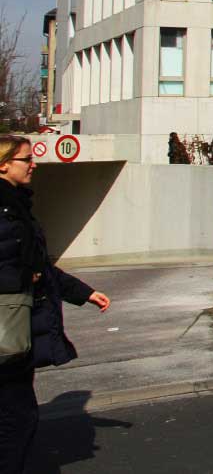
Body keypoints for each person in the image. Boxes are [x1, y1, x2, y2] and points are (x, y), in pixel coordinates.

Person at [1, 135, 111, 472]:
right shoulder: (6, 210)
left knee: (17, 415)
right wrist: (24, 279)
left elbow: (38, 266)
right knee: (17, 420)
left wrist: (82, 292)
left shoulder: (16, 204)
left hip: (15, 327)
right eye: (26, 159)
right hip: (8, 328)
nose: (34, 164)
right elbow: (21, 265)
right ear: (3, 164)